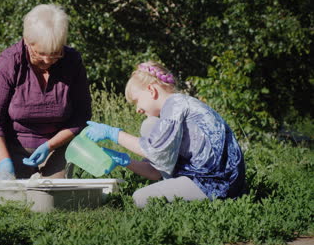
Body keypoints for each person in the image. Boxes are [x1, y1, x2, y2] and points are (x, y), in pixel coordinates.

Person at [86, 61, 245, 207]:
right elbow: (155, 172)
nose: (137, 109)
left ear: (151, 90)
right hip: (218, 179)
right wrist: (123, 160)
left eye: (136, 101)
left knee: (140, 198)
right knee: (150, 125)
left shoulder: (174, 105)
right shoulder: (177, 105)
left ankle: (206, 204)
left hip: (217, 184)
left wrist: (113, 133)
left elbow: (155, 152)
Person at [0, 4, 91, 180]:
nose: (48, 60)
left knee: (50, 201)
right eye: (40, 53)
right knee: (14, 199)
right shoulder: (9, 63)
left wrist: (50, 145)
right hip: (13, 147)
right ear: (26, 40)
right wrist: (4, 163)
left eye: (56, 53)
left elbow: (82, 115)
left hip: (58, 147)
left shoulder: (72, 62)